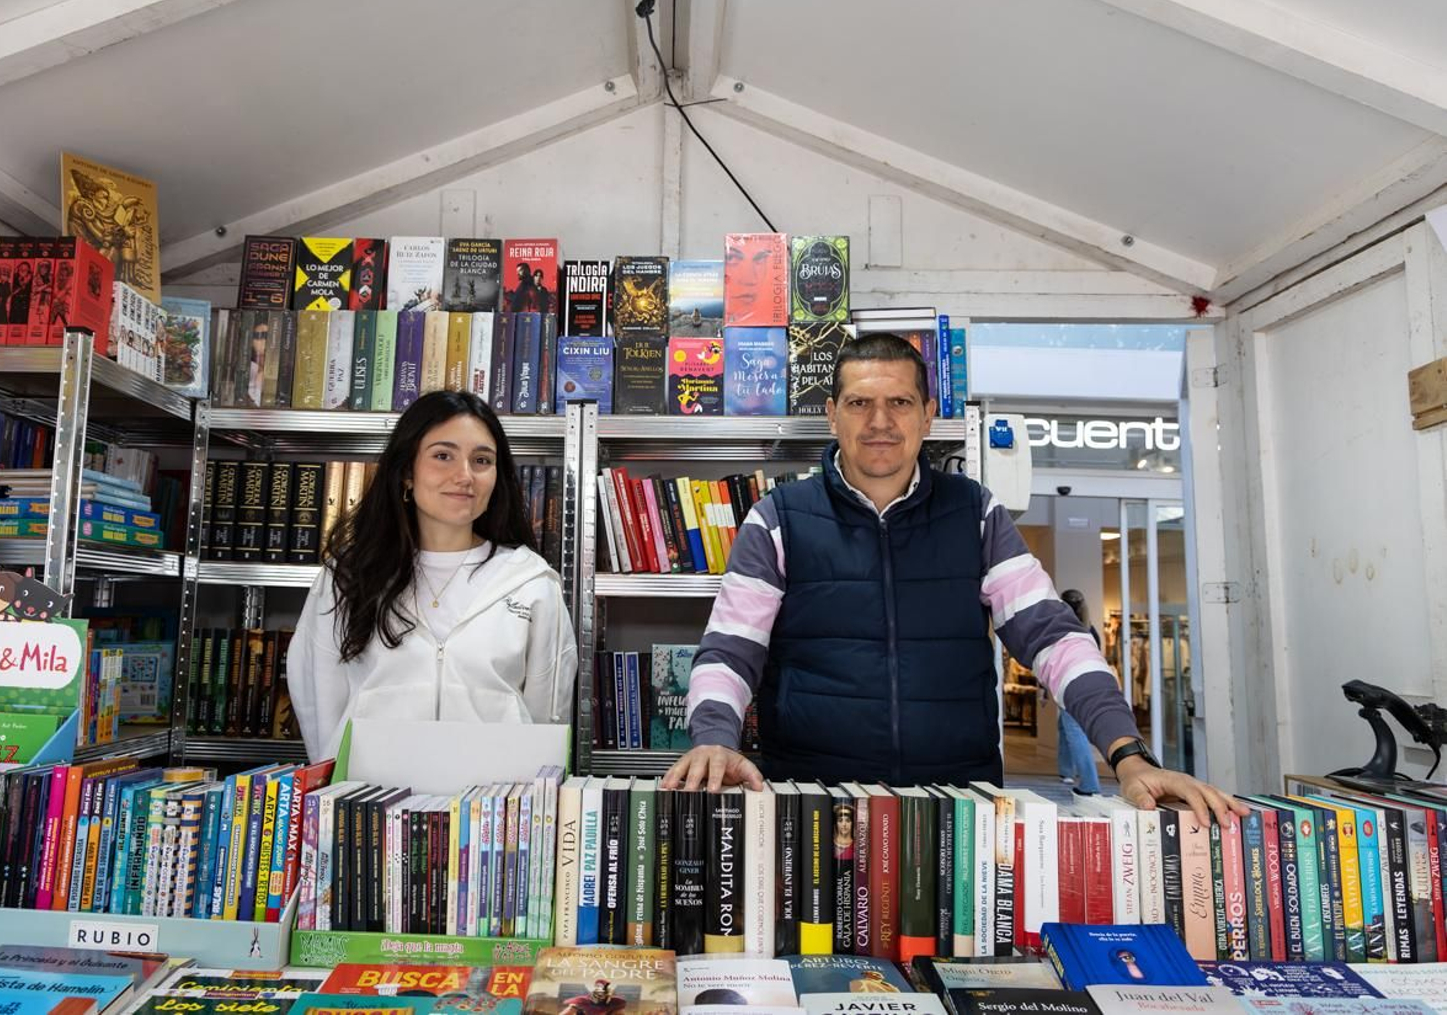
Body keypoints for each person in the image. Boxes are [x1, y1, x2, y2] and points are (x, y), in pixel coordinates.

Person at [663, 333, 1243, 825]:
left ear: (928, 414)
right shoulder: (779, 518)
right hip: (816, 804)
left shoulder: (974, 512)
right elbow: (730, 650)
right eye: (860, 403)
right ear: (831, 413)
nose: (881, 422)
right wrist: (714, 737)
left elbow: (1053, 637)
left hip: (959, 807)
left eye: (901, 402)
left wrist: (1129, 754)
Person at [286, 390, 578, 761]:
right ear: (407, 471)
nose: (465, 476)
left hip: (491, 808)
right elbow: (318, 697)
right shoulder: (348, 577)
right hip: (370, 804)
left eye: (482, 460)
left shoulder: (532, 583)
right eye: (443, 456)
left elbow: (547, 718)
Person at [1057, 588, 1104, 796]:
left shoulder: (1062, 630)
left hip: (1070, 684)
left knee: (1074, 729)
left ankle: (1089, 783)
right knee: (1064, 726)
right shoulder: (1091, 632)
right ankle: (1066, 770)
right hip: (1090, 682)